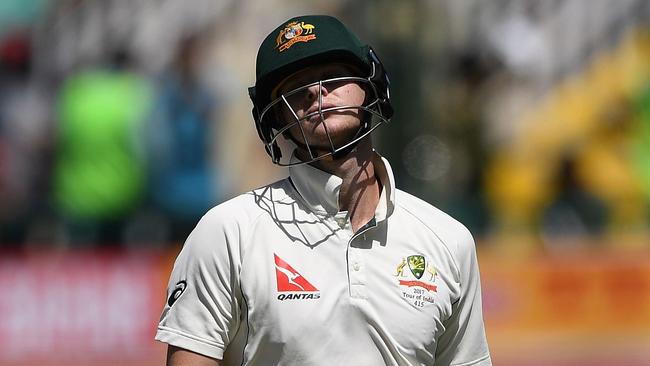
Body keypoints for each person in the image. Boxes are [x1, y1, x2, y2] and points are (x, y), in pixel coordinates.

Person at [155, 15, 491, 366]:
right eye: (296, 87)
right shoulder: (228, 231)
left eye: (332, 74)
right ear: (275, 120)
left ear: (370, 83)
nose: (317, 91)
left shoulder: (449, 240)